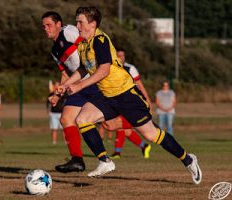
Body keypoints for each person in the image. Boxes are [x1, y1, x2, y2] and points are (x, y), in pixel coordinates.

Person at [56, 6, 202, 184]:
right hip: (106, 95)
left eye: (80, 22)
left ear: (92, 24)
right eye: (77, 21)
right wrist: (65, 85)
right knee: (82, 119)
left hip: (125, 94)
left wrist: (78, 87)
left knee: (151, 135)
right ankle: (105, 161)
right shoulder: (83, 44)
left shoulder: (99, 40)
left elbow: (103, 71)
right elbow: (83, 69)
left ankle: (188, 160)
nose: (77, 25)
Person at [42, 11, 107, 173]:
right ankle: (77, 160)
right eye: (43, 26)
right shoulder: (54, 50)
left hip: (93, 81)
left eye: (49, 25)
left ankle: (133, 117)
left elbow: (88, 43)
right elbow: (65, 74)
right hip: (78, 85)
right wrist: (57, 95)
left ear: (59, 24)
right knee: (66, 119)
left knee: (112, 124)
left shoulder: (68, 31)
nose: (46, 29)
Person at [109, 48, 152, 159]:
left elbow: (139, 84)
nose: (120, 57)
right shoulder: (111, 67)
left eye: (122, 55)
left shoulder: (130, 68)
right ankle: (144, 146)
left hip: (130, 102)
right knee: (126, 130)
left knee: (120, 126)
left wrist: (147, 100)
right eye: (118, 55)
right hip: (116, 101)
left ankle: (118, 152)